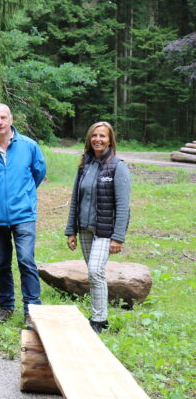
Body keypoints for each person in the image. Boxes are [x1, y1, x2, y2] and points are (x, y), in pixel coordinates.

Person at [0, 104, 47, 328]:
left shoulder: (29, 146)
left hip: (23, 214)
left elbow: (38, 173)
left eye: (3, 117)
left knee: (26, 260)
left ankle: (32, 309)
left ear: (11, 119)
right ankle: (6, 306)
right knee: (2, 264)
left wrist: (22, 195)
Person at [64, 121, 131, 334]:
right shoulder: (84, 164)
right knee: (94, 274)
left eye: (102, 136)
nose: (98, 139)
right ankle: (98, 314)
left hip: (105, 231)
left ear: (110, 140)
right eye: (94, 135)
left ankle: (100, 320)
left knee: (95, 271)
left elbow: (123, 205)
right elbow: (76, 199)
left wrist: (118, 237)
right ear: (89, 139)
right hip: (84, 228)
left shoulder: (118, 166)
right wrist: (70, 231)